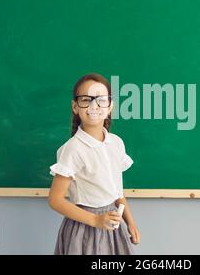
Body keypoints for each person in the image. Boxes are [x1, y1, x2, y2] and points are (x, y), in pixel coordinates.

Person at [48, 72, 141, 255]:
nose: (94, 106)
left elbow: (117, 192)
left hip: (113, 225)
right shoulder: (73, 149)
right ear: (75, 106)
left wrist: (130, 222)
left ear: (110, 106)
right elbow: (55, 200)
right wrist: (96, 221)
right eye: (86, 99)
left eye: (101, 100)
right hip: (84, 229)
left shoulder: (116, 143)